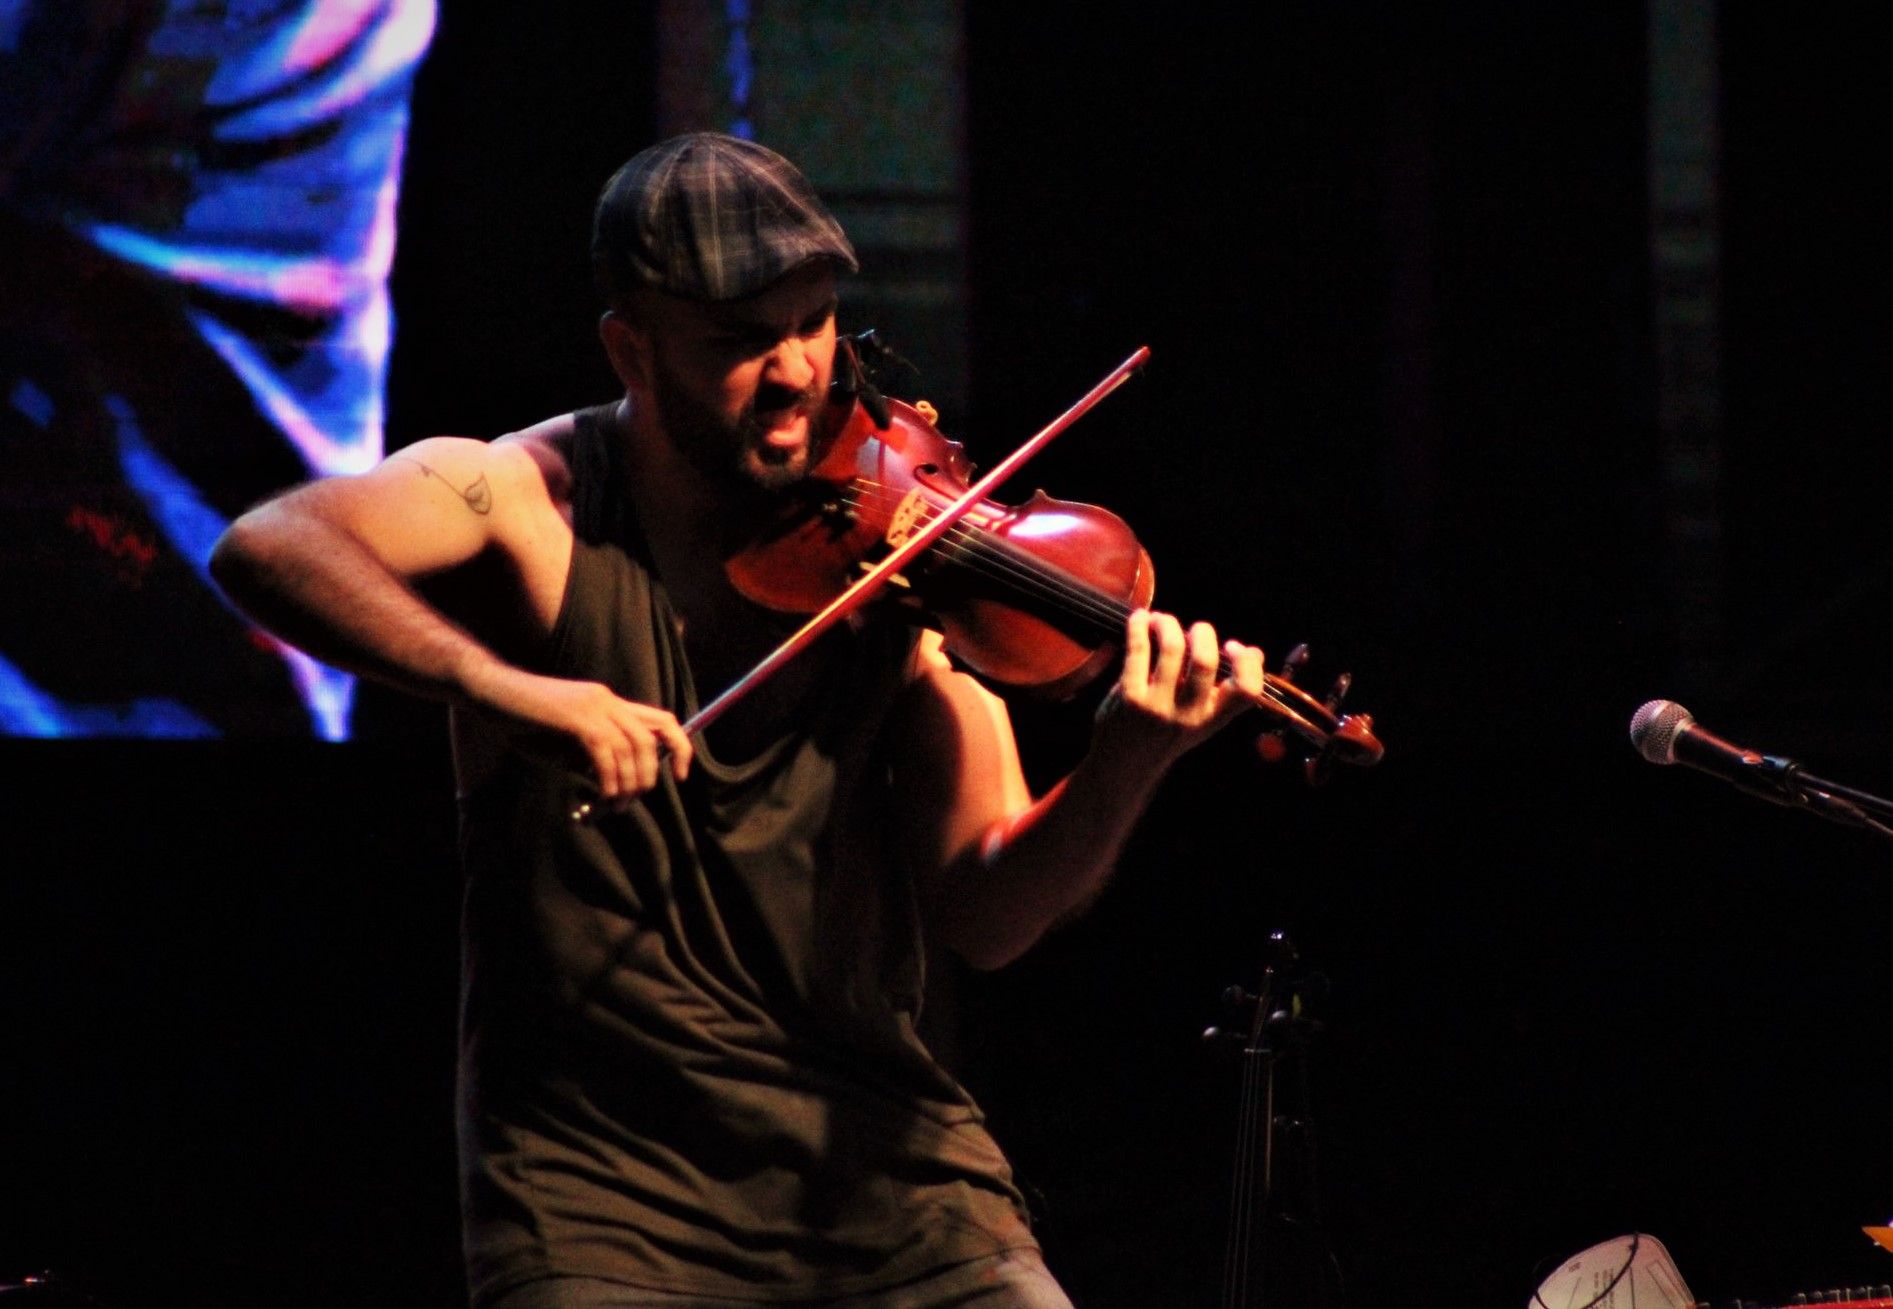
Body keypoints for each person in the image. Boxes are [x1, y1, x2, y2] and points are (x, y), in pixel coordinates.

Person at [209, 131, 1266, 1309]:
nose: (798, 372)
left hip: (893, 1182)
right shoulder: (529, 500)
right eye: (738, 340)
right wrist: (515, 694)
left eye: (813, 323)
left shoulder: (903, 558)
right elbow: (270, 546)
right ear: (633, 348)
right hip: (601, 1203)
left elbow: (989, 911)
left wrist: (1126, 761)